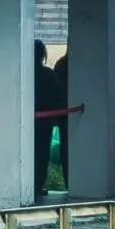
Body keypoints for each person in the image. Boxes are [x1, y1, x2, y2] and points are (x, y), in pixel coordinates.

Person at [34, 39, 69, 195]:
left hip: (26, 120)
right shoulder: (48, 74)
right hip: (44, 121)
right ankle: (38, 184)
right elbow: (57, 96)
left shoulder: (21, 73)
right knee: (42, 153)